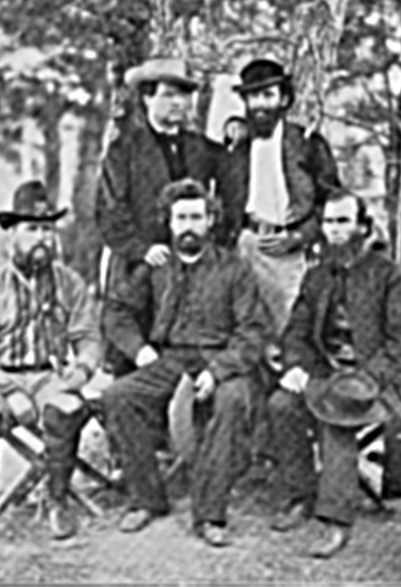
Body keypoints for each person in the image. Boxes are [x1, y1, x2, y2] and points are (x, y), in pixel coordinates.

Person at [101, 178, 273, 548]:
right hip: (169, 360)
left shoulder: (234, 269)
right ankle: (147, 498)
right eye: (181, 218)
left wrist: (218, 371)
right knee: (118, 396)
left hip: (222, 360)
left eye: (197, 217)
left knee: (230, 402)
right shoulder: (157, 266)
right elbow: (116, 312)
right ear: (169, 222)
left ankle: (210, 514)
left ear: (210, 220)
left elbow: (253, 330)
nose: (189, 226)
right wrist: (140, 351)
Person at [267, 189, 401, 559]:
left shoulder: (388, 275)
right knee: (280, 405)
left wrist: (367, 379)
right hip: (324, 373)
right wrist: (296, 367)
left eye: (342, 221)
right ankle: (300, 494)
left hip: (374, 381)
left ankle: (336, 520)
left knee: (337, 416)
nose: (334, 230)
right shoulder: (316, 276)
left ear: (362, 227)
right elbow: (296, 333)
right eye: (328, 222)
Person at [0, 181, 103, 548]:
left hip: (50, 377)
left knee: (67, 410)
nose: (41, 238)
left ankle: (57, 500)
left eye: (47, 230)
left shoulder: (69, 284)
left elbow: (88, 338)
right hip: (2, 379)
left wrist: (81, 370)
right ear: (13, 235)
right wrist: (10, 391)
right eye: (32, 229)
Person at [95, 58, 226, 322]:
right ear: (147, 99)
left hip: (190, 265)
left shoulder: (201, 149)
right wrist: (141, 249)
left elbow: (228, 186)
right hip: (138, 266)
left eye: (184, 96)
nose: (178, 103)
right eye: (168, 95)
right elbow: (110, 209)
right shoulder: (124, 150)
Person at [222, 58, 341, 335]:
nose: (260, 105)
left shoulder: (307, 144)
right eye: (253, 97)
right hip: (246, 246)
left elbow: (332, 204)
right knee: (244, 329)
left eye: (268, 95)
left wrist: (299, 237)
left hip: (289, 249)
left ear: (284, 99)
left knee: (290, 331)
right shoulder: (237, 146)